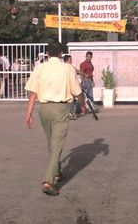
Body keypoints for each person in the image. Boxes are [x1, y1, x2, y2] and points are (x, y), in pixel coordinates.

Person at [24, 41, 85, 196]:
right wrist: (83, 106)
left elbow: (33, 93)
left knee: (52, 143)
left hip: (44, 109)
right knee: (56, 145)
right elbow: (77, 91)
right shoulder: (67, 68)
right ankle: (49, 181)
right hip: (61, 109)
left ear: (47, 53)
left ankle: (57, 172)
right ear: (61, 53)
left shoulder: (40, 68)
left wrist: (29, 114)